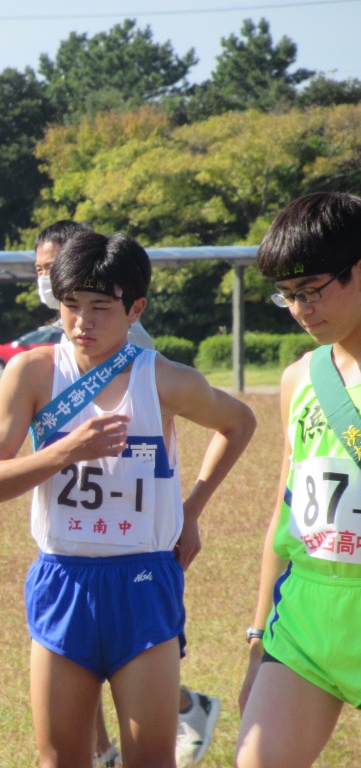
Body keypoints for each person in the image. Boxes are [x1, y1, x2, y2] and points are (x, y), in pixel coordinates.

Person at [0, 230, 255, 768]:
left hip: (143, 578)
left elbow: (239, 422)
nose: (82, 322)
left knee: (151, 757)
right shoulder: (31, 373)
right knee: (61, 757)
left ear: (135, 308)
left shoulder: (161, 379)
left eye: (100, 307)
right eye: (71, 306)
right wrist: (64, 452)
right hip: (64, 576)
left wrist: (192, 509)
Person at [236, 192, 361, 767]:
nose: (300, 309)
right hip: (307, 620)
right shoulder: (298, 379)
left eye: (311, 289)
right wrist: (259, 640)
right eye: (287, 296)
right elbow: (284, 518)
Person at [36, 220, 154, 351]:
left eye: (99, 307)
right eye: (39, 270)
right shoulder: (41, 359)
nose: (82, 322)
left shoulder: (127, 336)